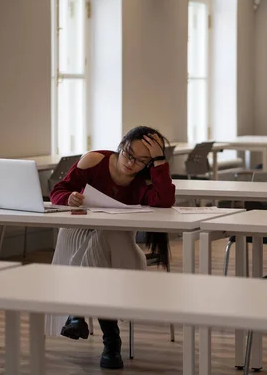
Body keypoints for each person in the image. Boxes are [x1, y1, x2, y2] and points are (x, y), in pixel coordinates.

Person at [48, 126, 176, 370]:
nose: (132, 164)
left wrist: (159, 161)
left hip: (117, 241)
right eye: (129, 154)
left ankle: (77, 312)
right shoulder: (94, 160)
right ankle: (111, 339)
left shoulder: (146, 179)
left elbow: (165, 201)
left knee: (103, 237)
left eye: (142, 160)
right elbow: (58, 192)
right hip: (81, 231)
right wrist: (70, 198)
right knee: (90, 239)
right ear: (121, 145)